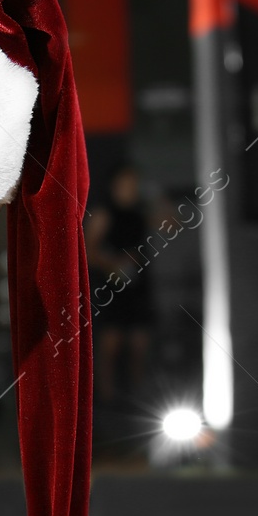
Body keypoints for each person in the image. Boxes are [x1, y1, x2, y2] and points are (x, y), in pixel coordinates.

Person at [85, 164, 158, 403]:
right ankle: (106, 398)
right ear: (114, 186)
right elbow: (88, 250)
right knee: (111, 344)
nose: (130, 189)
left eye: (133, 184)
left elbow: (170, 222)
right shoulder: (104, 213)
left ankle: (138, 396)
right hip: (112, 286)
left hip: (138, 287)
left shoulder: (140, 211)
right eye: (125, 184)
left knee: (139, 343)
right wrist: (115, 264)